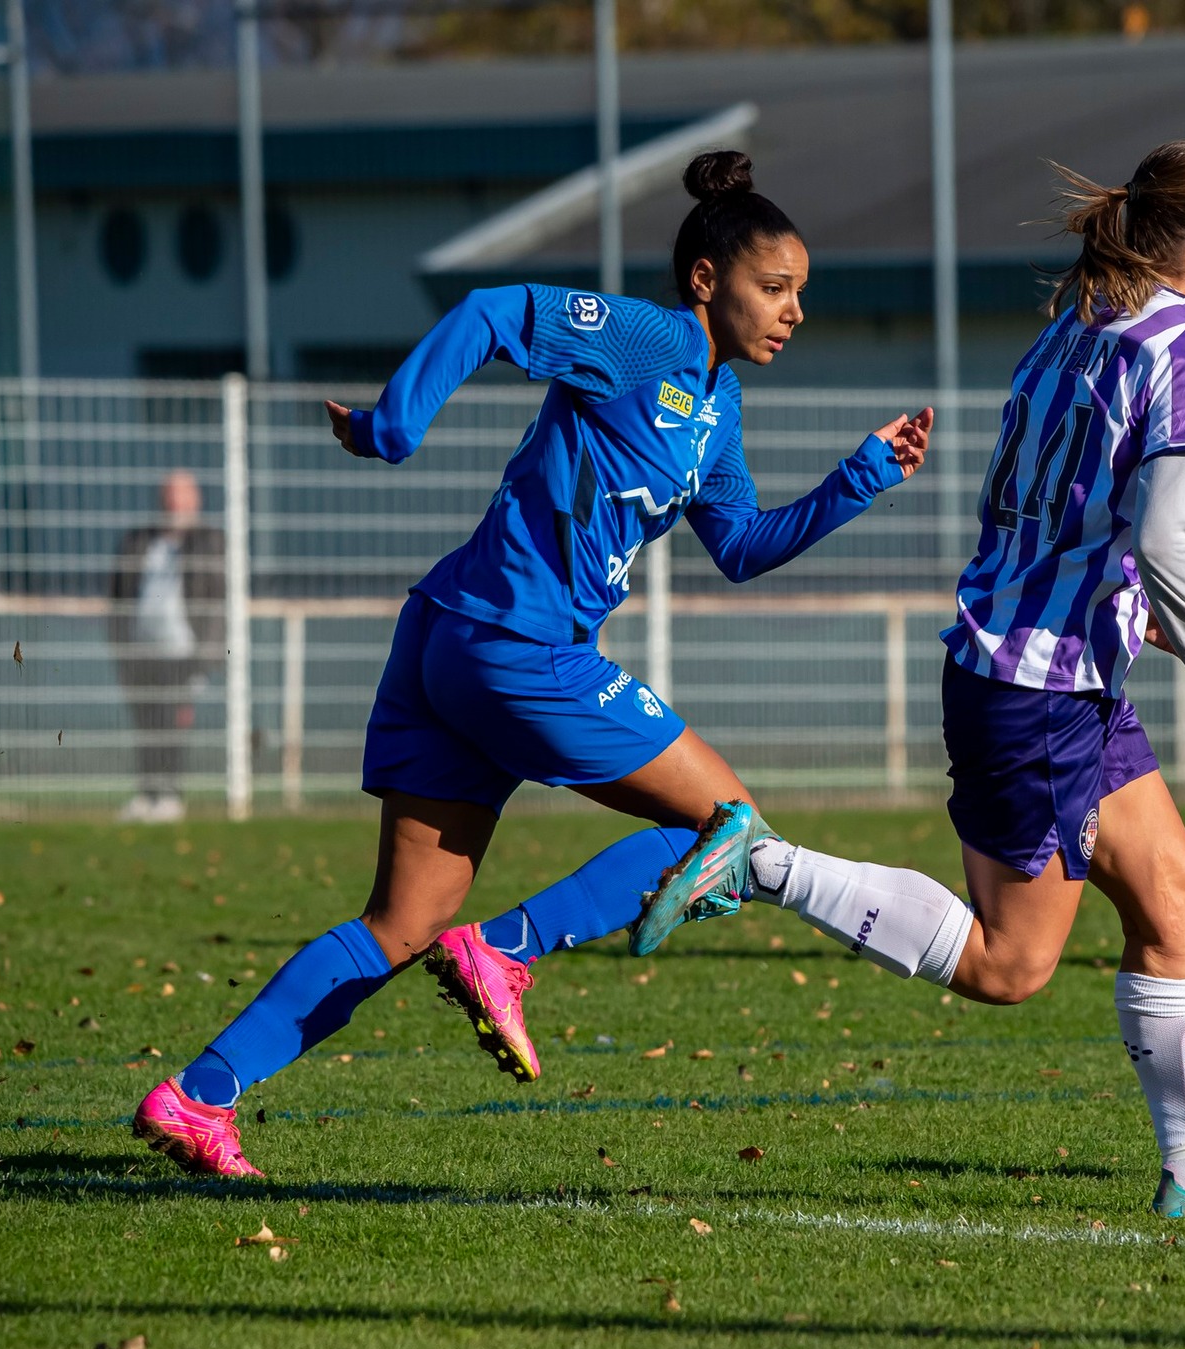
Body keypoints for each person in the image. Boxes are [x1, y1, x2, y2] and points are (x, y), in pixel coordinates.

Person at [130, 150, 932, 1177]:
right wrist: (394, 425)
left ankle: (198, 1095)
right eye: (774, 287)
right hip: (513, 645)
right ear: (705, 278)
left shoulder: (719, 406)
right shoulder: (644, 339)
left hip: (453, 641)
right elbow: (491, 311)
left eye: (799, 293)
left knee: (401, 923)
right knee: (731, 829)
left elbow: (738, 547)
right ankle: (507, 947)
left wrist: (859, 478)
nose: (793, 311)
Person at [637, 141, 1185, 1219]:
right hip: (1039, 691)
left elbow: (1042, 505)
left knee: (1174, 894)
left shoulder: (1080, 322)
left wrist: (1114, 609)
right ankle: (761, 862)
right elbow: (1166, 538)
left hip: (1042, 672)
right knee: (1010, 963)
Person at [108, 470, 223, 824]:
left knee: (173, 723)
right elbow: (118, 596)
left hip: (184, 651)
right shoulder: (139, 541)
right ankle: (147, 794)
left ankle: (170, 796)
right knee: (146, 725)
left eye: (182, 497)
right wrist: (120, 647)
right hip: (141, 650)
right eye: (169, 496)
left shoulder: (209, 542)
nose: (174, 504)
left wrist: (207, 654)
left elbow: (218, 599)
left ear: (195, 501)